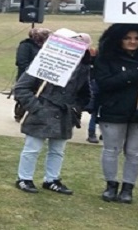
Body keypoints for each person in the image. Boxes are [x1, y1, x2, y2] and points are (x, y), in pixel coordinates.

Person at [13, 29, 91, 195]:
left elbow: (85, 94)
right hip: (41, 112)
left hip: (64, 114)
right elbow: (21, 88)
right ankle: (24, 178)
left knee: (57, 150)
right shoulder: (42, 63)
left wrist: (76, 109)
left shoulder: (82, 68)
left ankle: (52, 179)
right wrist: (36, 107)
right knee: (32, 148)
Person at [93, 24, 138, 204]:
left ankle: (128, 188)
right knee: (111, 150)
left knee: (134, 152)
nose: (132, 42)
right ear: (119, 39)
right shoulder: (106, 60)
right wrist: (136, 74)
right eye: (127, 38)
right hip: (113, 111)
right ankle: (111, 186)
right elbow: (106, 84)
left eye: (137, 38)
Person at [13, 28, 52, 122]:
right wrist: (32, 71)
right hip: (27, 75)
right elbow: (21, 61)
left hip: (42, 76)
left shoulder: (47, 46)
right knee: (25, 94)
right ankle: (19, 114)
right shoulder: (26, 45)